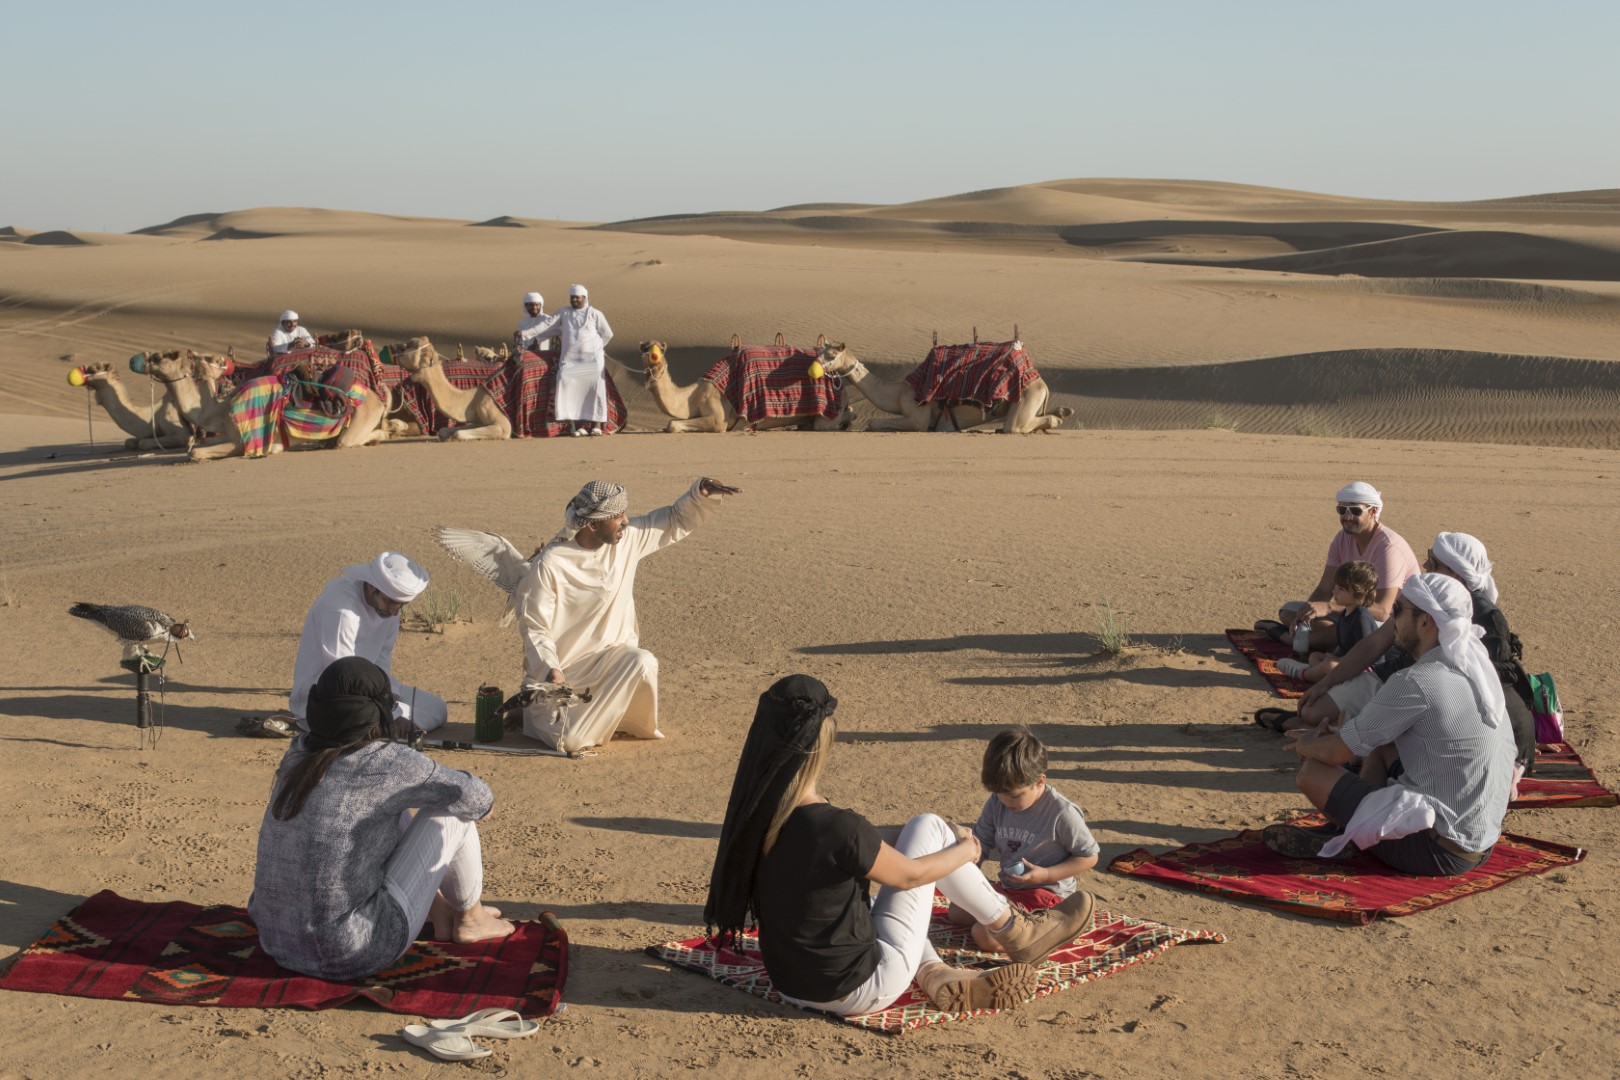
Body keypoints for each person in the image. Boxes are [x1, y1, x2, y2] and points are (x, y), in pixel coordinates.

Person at [703, 676, 1097, 1017]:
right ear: (820, 747)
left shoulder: (759, 819)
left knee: (875, 901)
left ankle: (937, 974)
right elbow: (911, 876)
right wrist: (966, 849)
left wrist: (917, 833)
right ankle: (1017, 931)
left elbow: (853, 843)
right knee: (930, 828)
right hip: (860, 989)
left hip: (790, 984)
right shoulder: (839, 827)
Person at [249, 658, 512, 981]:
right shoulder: (387, 763)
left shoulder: (298, 753)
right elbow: (478, 799)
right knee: (450, 810)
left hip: (277, 943)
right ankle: (472, 918)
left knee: (393, 804)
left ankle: (440, 912)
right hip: (353, 952)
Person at [1269, 573, 1517, 875]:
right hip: (1478, 843)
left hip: (1438, 850)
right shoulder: (1475, 669)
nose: (1391, 618)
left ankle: (1350, 833)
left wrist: (1307, 743)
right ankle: (1354, 828)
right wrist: (1339, 737)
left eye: (1398, 610)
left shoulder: (1418, 680)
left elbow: (1335, 754)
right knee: (1383, 746)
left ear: (1426, 622)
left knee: (1313, 770)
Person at [511, 477, 740, 752]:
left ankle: (621, 722)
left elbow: (673, 520)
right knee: (570, 742)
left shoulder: (625, 541)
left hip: (612, 661)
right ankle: (535, 716)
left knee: (643, 661)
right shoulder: (551, 563)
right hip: (566, 672)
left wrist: (700, 494)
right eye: (617, 516)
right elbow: (535, 626)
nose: (626, 521)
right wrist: (551, 669)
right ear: (593, 525)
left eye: (624, 513)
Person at [1295, 532, 1537, 769]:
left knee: (1357, 750)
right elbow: (1373, 644)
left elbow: (1495, 684)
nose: (1424, 565)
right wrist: (1325, 683)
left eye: (1433, 562)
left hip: (1429, 697)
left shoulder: (1487, 617)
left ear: (1455, 573)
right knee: (1313, 711)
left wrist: (1518, 741)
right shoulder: (1421, 596)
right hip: (1395, 677)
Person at [950, 727, 1100, 954]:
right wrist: (969, 869)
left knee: (982, 935)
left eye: (1014, 795)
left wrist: (1046, 874)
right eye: (999, 792)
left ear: (1039, 781)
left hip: (1046, 896)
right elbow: (981, 843)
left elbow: (1089, 856)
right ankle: (1016, 924)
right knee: (956, 911)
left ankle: (1046, 927)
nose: (1005, 800)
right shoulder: (997, 802)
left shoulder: (1061, 812)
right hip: (1010, 890)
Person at [289, 552, 447, 738]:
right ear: (372, 587)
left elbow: (382, 661)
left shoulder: (389, 612)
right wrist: (392, 715)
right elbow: (343, 676)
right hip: (331, 698)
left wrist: (390, 702)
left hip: (370, 692)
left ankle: (383, 729)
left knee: (436, 708)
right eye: (391, 602)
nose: (395, 611)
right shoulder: (341, 611)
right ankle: (381, 729)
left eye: (401, 605)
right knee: (363, 719)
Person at [1260, 482, 1420, 655]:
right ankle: (1331, 641)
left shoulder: (1388, 547)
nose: (1348, 517)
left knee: (1354, 626)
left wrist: (1329, 608)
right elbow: (1324, 588)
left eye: (1355, 511)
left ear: (1373, 512)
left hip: (1390, 623)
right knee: (1289, 611)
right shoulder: (1342, 539)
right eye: (1342, 510)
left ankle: (1287, 638)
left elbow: (1382, 611)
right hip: (1349, 610)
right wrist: (1307, 613)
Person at [1274, 560, 1379, 684]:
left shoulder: (1362, 618)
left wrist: (1337, 661)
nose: (1334, 591)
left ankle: (1303, 673)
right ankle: (1318, 673)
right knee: (1315, 657)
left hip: (1365, 670)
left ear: (1359, 594)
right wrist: (1334, 656)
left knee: (1328, 665)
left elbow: (1365, 654)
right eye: (1335, 586)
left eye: (1341, 589)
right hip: (1345, 662)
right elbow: (1342, 646)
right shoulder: (1345, 613)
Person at [526, 284, 612, 435]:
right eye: (572, 297)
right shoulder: (564, 313)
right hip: (570, 361)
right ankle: (580, 426)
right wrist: (526, 334)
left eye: (577, 297)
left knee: (594, 391)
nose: (574, 300)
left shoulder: (594, 314)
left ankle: (597, 425)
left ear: (585, 298)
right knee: (568, 385)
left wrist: (596, 348)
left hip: (592, 361)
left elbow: (607, 334)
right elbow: (547, 325)